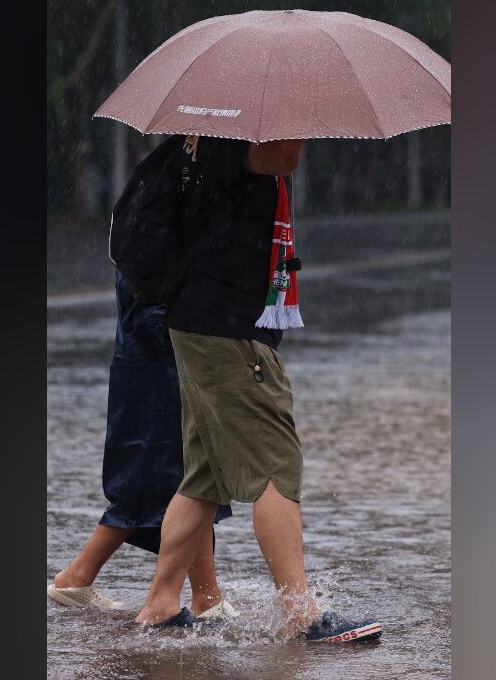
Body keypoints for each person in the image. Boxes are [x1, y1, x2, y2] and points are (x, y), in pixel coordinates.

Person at [132, 135, 384, 643]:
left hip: (202, 322)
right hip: (228, 329)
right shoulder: (232, 137)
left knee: (203, 476)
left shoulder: (202, 135)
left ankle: (160, 603)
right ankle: (300, 613)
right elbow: (283, 156)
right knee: (276, 465)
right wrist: (306, 113)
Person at [47, 152, 236, 620]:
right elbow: (156, 291)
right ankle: (78, 577)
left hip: (152, 353)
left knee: (182, 474)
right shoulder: (175, 192)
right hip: (161, 357)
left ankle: (205, 593)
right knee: (170, 476)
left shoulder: (156, 184)